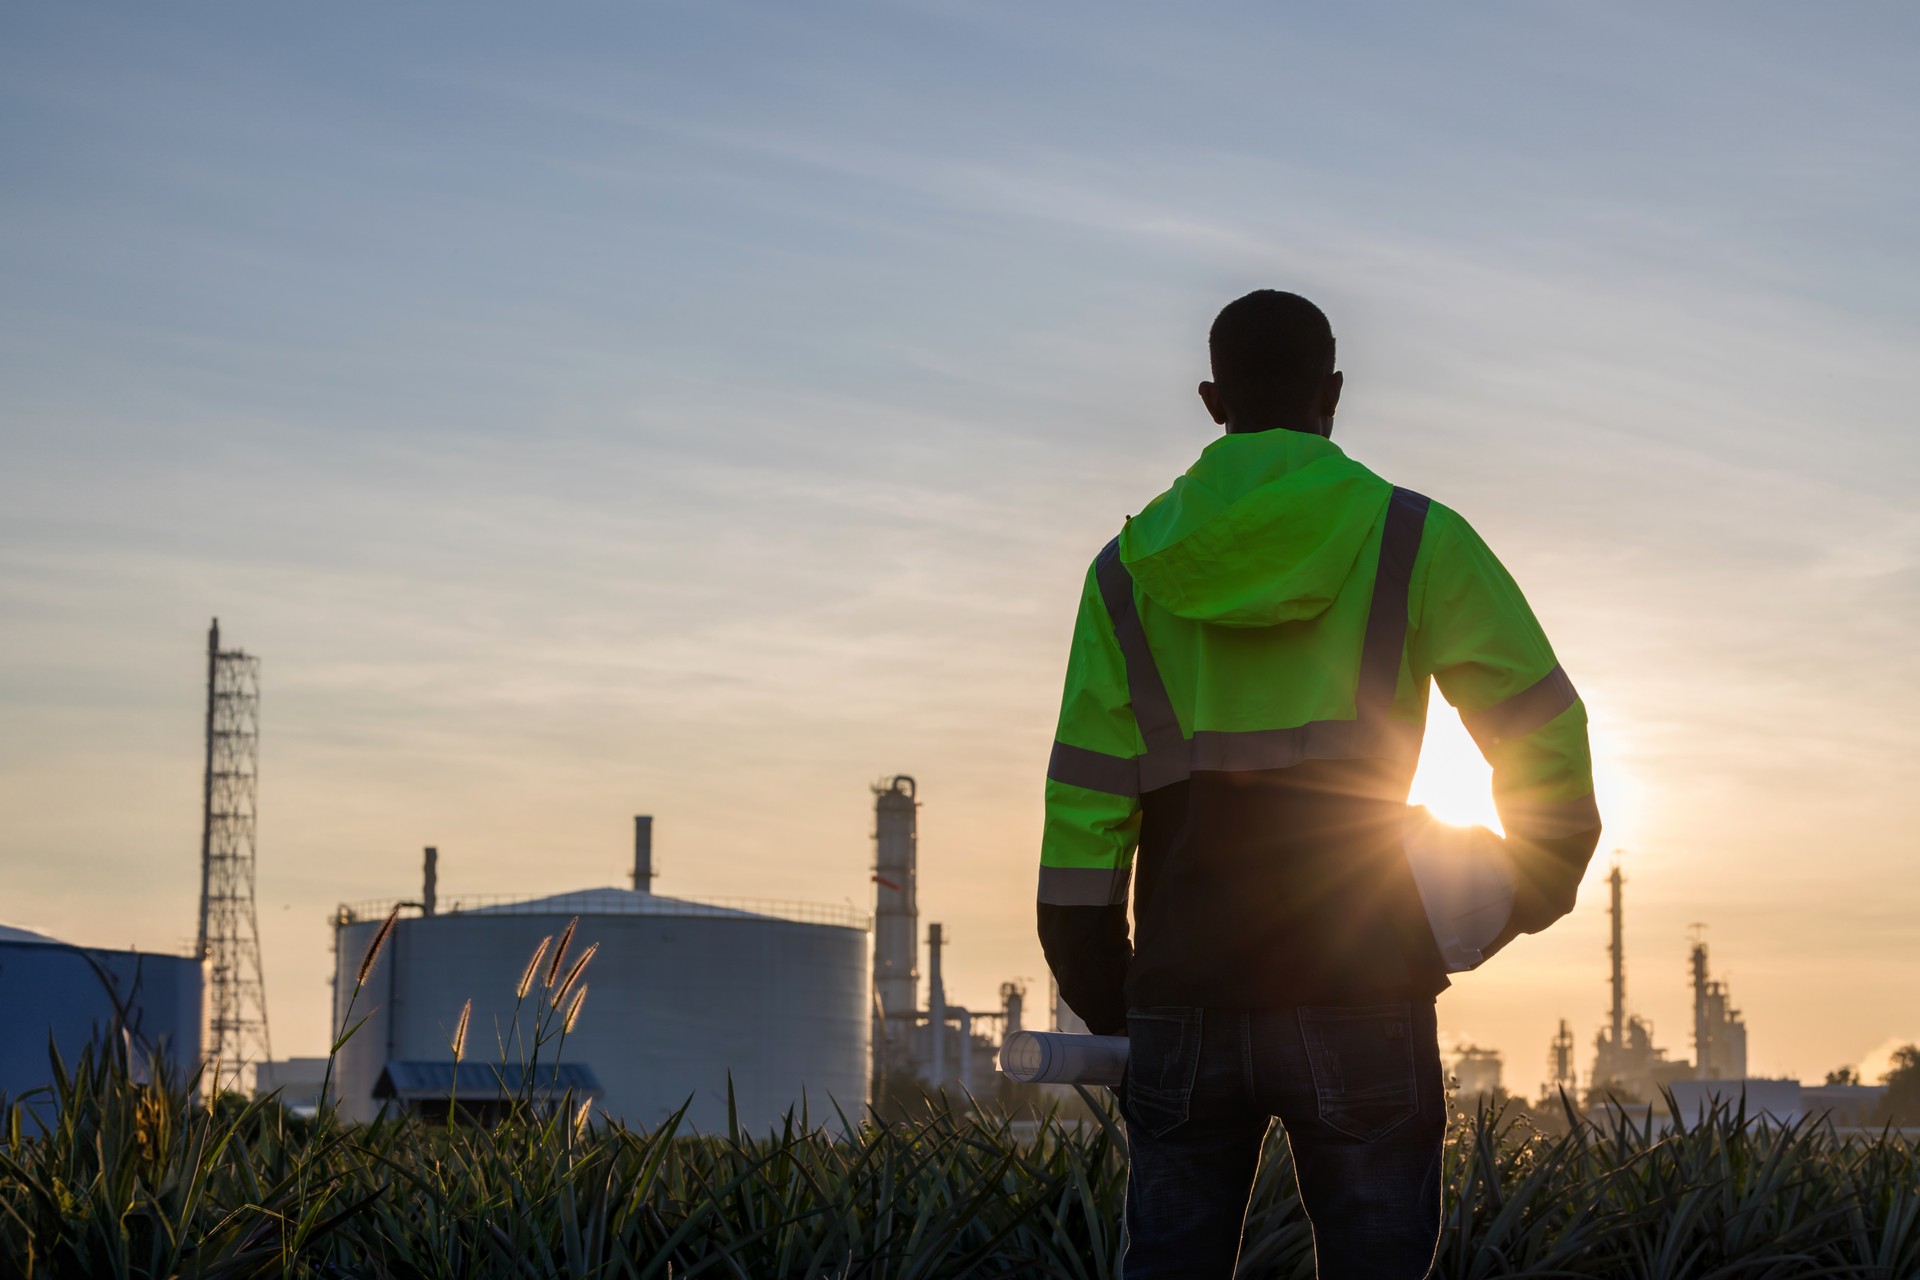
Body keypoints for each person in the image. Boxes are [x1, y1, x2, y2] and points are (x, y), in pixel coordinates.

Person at [1036, 290, 1601, 1279]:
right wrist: (1525, 887)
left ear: (1212, 398)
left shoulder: (1125, 571)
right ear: (1332, 391)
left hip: (1183, 989)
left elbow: (1085, 792)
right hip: (1362, 979)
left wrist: (1106, 985)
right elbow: (1541, 723)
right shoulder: (1413, 538)